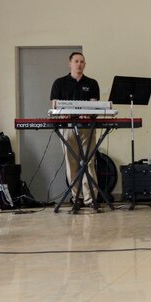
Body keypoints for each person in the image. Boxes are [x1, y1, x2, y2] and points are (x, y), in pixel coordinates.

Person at [50, 52, 100, 207]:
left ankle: (90, 198)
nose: (79, 64)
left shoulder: (92, 83)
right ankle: (76, 197)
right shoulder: (59, 83)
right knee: (71, 163)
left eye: (82, 62)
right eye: (76, 61)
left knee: (88, 162)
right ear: (70, 63)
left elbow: (94, 106)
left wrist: (87, 113)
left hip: (87, 128)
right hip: (67, 128)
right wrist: (65, 114)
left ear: (85, 64)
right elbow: (55, 106)